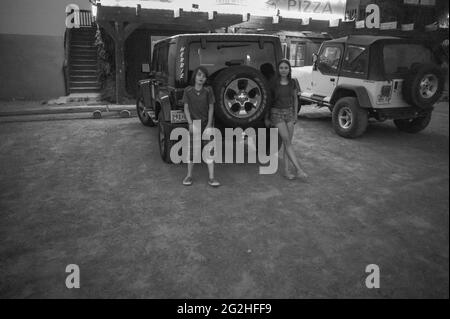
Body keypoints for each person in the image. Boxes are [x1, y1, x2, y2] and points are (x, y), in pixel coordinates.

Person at [265, 59, 308, 180]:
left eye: (286, 68)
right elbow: (268, 101)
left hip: (289, 113)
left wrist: (295, 115)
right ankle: (299, 170)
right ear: (278, 70)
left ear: (289, 70)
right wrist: (267, 117)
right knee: (287, 141)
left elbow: (295, 99)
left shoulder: (293, 82)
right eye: (281, 68)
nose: (283, 70)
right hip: (276, 113)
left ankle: (286, 171)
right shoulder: (273, 83)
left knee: (287, 143)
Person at [182, 66, 220, 187]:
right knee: (192, 152)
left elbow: (211, 108)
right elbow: (186, 109)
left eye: (204, 76)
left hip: (206, 124)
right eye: (199, 75)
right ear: (195, 76)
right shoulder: (187, 91)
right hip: (194, 125)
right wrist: (190, 123)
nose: (201, 78)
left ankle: (212, 178)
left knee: (209, 151)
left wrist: (209, 124)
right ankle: (188, 176)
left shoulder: (208, 91)